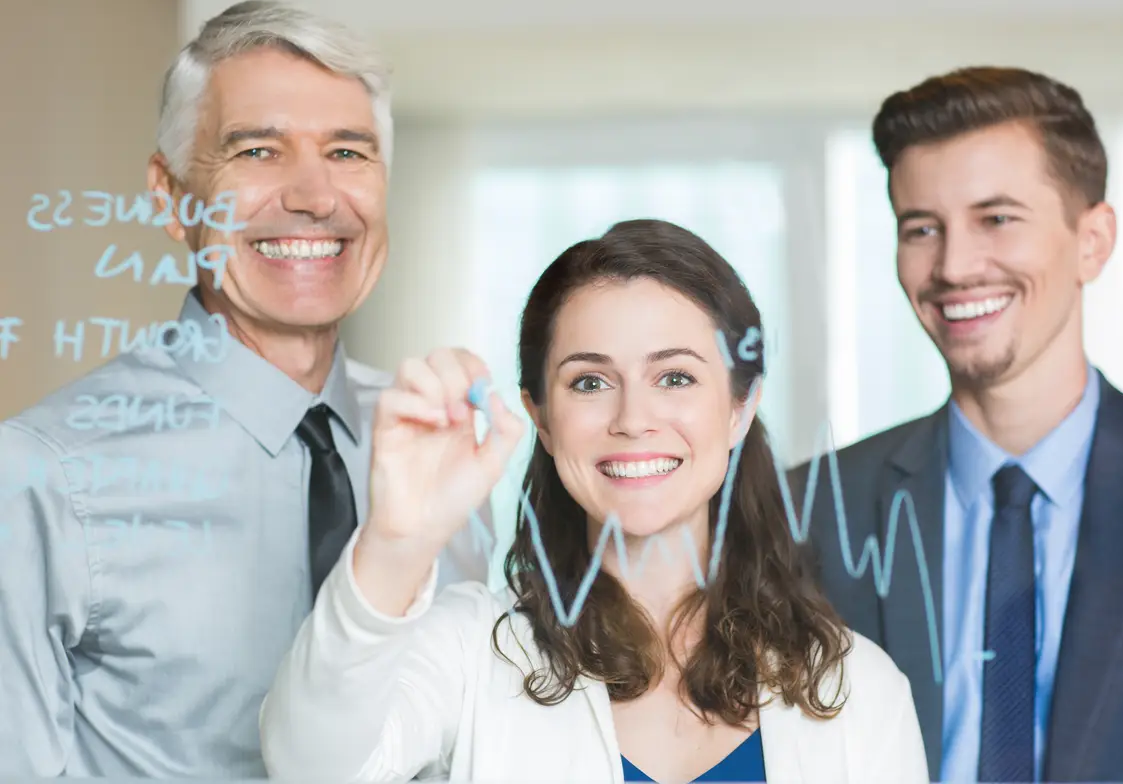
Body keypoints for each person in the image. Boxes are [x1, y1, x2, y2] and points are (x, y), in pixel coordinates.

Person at [0, 0, 490, 778]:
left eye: (348, 152)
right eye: (259, 150)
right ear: (170, 197)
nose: (315, 197)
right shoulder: (43, 476)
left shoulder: (441, 455)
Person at [258, 218, 928, 783]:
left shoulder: (860, 689)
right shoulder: (468, 651)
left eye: (674, 377)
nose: (632, 419)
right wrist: (397, 540)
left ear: (739, 408)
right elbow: (310, 768)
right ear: (541, 419)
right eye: (589, 382)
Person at [789, 66, 1123, 783]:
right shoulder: (808, 513)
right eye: (922, 228)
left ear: (1092, 240)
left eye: (997, 218)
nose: (954, 266)